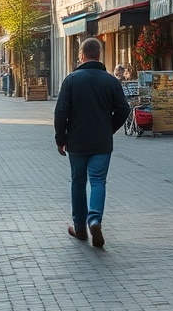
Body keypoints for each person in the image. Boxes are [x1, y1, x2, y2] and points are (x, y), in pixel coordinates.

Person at [54, 37, 130, 247]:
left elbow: (61, 112)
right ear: (99, 55)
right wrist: (109, 128)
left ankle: (79, 228)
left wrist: (61, 139)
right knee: (98, 181)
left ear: (81, 55)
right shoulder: (110, 81)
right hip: (101, 142)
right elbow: (124, 109)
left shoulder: (71, 80)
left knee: (78, 183)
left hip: (77, 142)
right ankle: (95, 219)